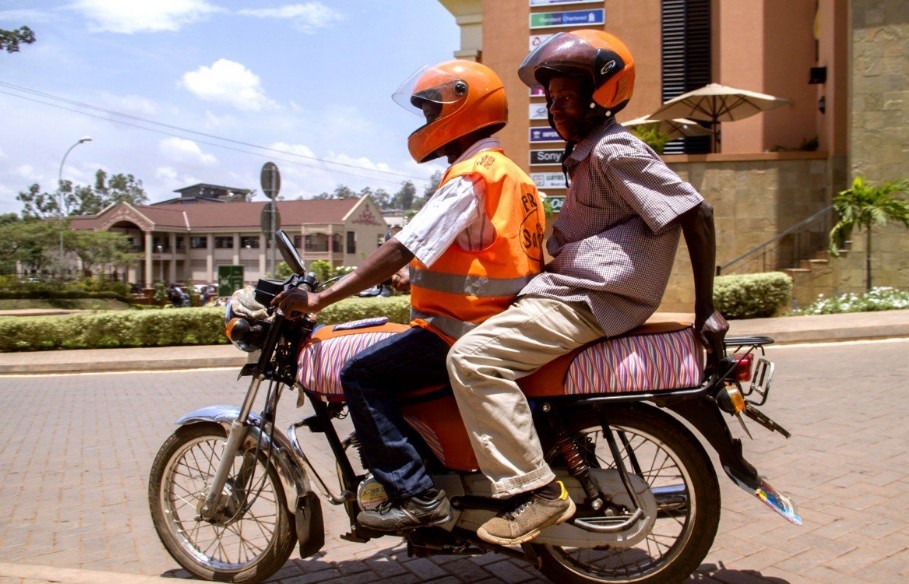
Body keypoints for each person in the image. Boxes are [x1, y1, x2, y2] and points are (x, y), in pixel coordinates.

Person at [446, 29, 729, 546]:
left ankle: (536, 492)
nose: (555, 109)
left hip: (592, 300)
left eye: (568, 98)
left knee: (473, 360)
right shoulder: (586, 155)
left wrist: (706, 309)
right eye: (550, 99)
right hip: (575, 293)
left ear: (603, 97)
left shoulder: (612, 151)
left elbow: (697, 211)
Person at [271, 60, 546, 532]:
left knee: (360, 374)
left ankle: (416, 494)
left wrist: (320, 299)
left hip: (460, 331)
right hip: (496, 323)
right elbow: (481, 254)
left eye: (431, 111)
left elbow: (401, 246)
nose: (427, 124)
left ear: (464, 108)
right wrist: (412, 277)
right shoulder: (512, 176)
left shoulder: (471, 176)